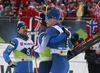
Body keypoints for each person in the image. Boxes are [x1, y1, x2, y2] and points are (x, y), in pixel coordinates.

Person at [33, 8, 72, 73]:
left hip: (58, 63)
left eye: (47, 18)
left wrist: (33, 48)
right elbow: (70, 46)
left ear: (54, 19)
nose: (45, 20)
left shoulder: (51, 29)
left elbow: (41, 48)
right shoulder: (64, 29)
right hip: (65, 63)